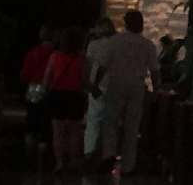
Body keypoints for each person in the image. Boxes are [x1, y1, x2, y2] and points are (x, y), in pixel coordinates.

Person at [98, 10, 160, 175]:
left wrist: (96, 84)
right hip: (137, 86)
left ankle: (109, 154)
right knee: (132, 126)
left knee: (110, 121)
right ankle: (128, 165)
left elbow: (103, 65)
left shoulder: (114, 41)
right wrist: (156, 90)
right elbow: (154, 70)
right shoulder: (147, 44)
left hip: (116, 83)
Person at [42, 26, 87, 172]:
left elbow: (47, 78)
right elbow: (84, 80)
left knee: (58, 131)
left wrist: (45, 91)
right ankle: (73, 161)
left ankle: (60, 162)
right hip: (75, 96)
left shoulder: (55, 56)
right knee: (75, 131)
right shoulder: (81, 59)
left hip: (58, 95)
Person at [83, 17, 116, 162]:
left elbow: (88, 64)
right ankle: (108, 154)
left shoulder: (93, 45)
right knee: (110, 122)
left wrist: (90, 85)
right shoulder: (117, 44)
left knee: (93, 120)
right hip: (114, 85)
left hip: (97, 85)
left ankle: (89, 152)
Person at [21, 24, 54, 157]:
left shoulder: (33, 53)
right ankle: (44, 148)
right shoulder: (56, 54)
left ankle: (29, 150)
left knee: (32, 119)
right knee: (46, 120)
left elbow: (25, 74)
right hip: (50, 89)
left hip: (34, 87)